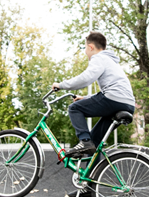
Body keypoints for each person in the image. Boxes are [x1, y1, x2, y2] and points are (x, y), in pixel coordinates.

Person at [52, 31, 135, 160]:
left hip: (113, 99)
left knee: (75, 108)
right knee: (94, 142)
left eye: (85, 48)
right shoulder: (111, 62)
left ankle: (84, 142)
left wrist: (61, 85)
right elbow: (107, 91)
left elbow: (86, 78)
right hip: (127, 104)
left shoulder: (99, 58)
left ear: (91, 47)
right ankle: (91, 179)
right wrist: (85, 98)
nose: (85, 52)